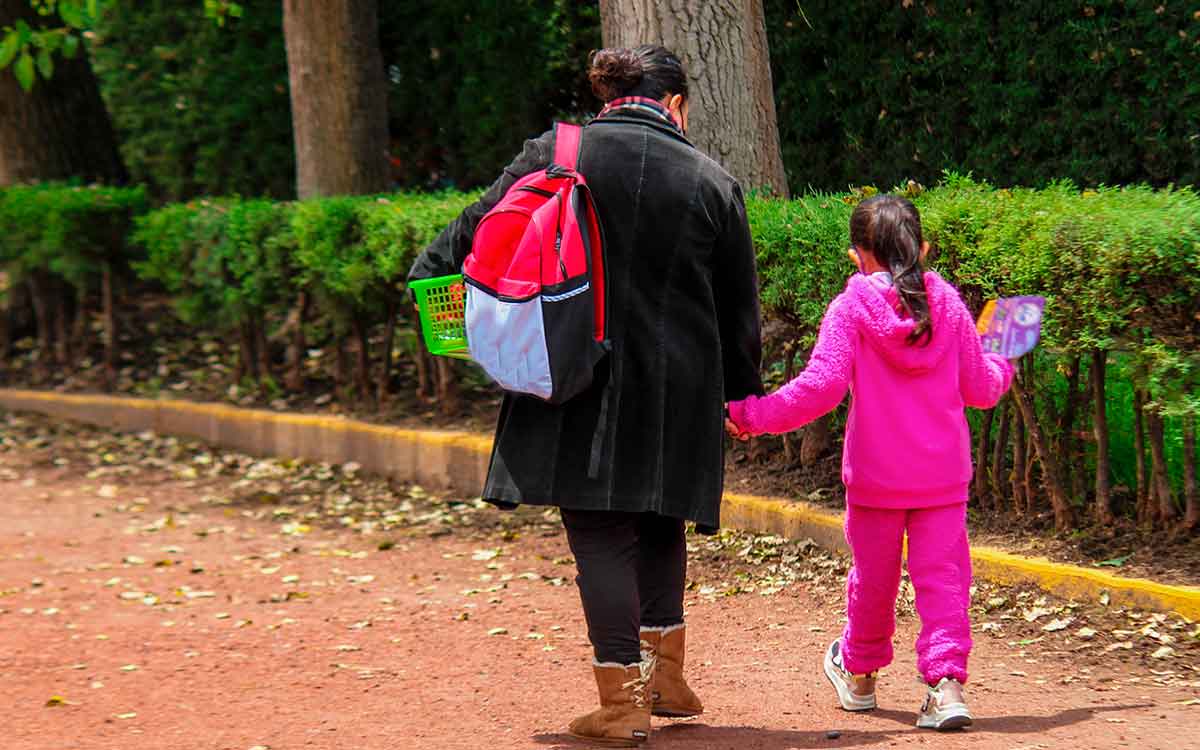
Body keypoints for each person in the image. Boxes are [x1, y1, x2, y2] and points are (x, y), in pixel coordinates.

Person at [408, 45, 763, 746]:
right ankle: (666, 678)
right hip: (677, 389)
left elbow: (458, 244)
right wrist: (739, 396)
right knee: (659, 518)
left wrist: (450, 319)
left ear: (611, 101)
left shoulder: (556, 151)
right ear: (676, 105)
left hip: (574, 376)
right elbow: (737, 311)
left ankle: (622, 702)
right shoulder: (712, 179)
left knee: (600, 534)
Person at [725, 195, 1013, 731]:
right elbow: (981, 387)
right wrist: (1004, 356)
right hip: (942, 479)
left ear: (857, 254)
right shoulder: (947, 305)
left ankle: (858, 676)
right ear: (921, 248)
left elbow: (820, 389)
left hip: (877, 479)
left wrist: (751, 415)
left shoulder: (850, 308)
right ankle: (946, 689)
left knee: (873, 581)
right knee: (944, 582)